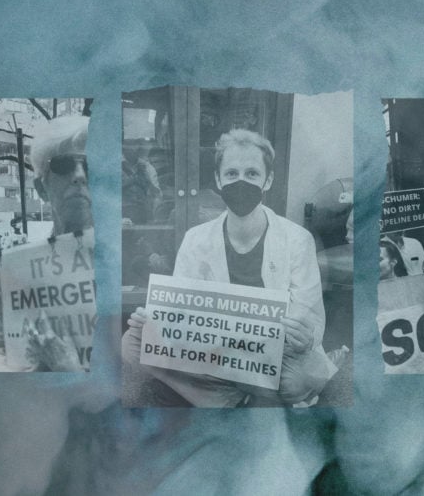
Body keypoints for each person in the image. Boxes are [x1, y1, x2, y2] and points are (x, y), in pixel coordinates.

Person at [123, 128, 335, 406]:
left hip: (272, 352)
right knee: (131, 342)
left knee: (300, 378)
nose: (241, 182)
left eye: (252, 174)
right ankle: (236, 395)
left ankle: (213, 392)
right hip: (215, 350)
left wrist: (302, 336)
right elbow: (179, 311)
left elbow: (311, 317)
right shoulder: (196, 238)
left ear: (268, 180)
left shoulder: (297, 239)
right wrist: (152, 319)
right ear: (218, 180)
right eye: (232, 174)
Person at [0, 133, 92, 372]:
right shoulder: (10, 267)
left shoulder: (121, 265)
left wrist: (69, 371)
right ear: (41, 188)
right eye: (64, 166)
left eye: (90, 166)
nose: (80, 176)